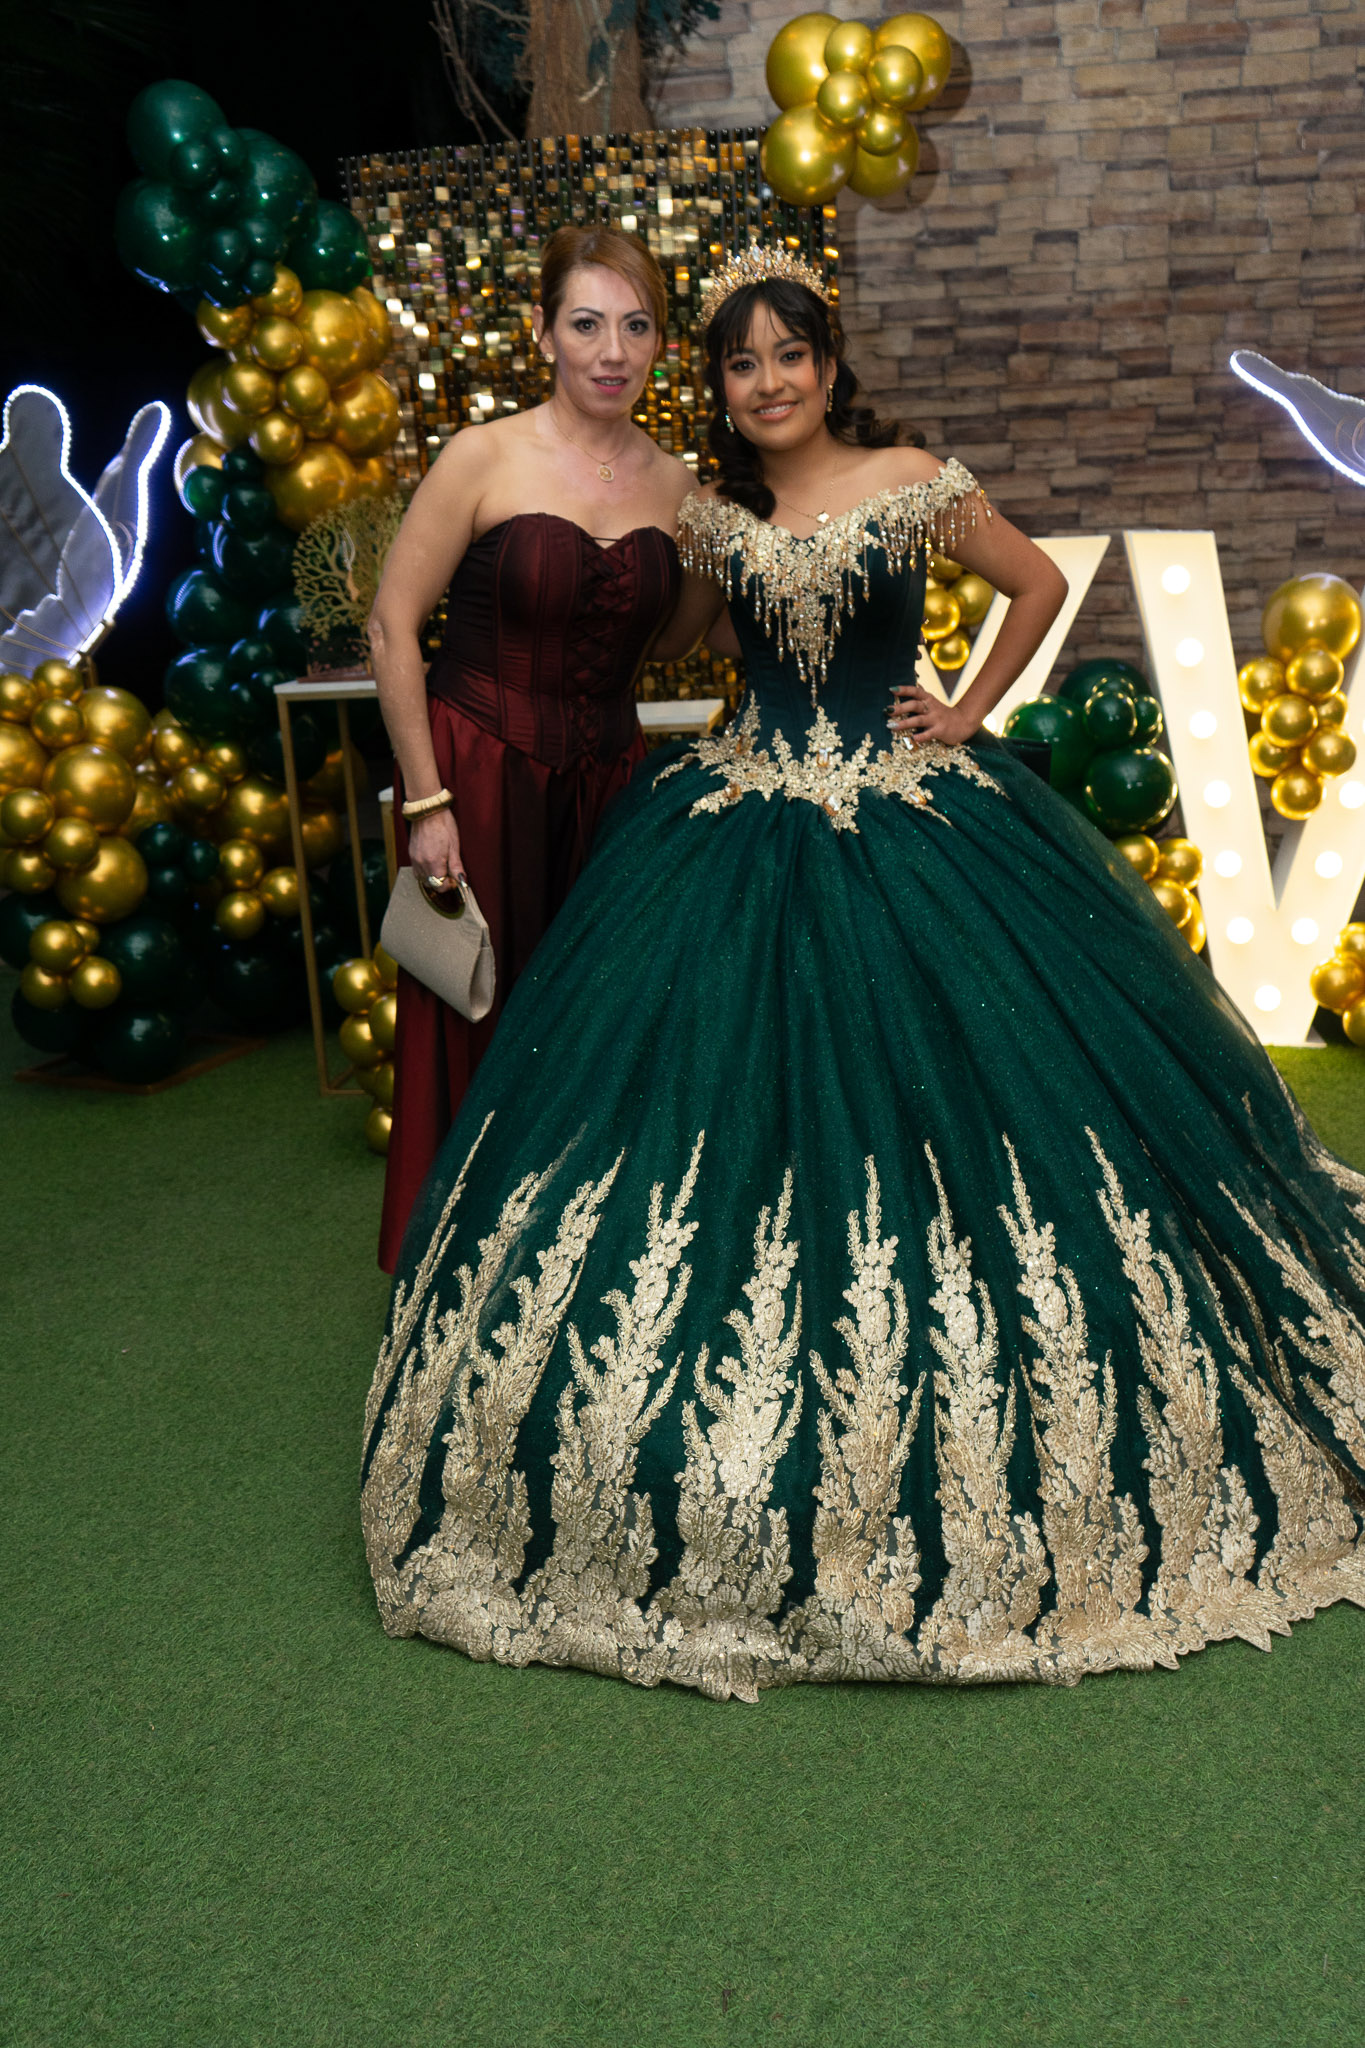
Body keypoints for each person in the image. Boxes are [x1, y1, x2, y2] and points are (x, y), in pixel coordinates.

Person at [361, 246, 1365, 1702]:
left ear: (830, 367)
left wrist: (967, 710)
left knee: (976, 1083)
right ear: (719, 386)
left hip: (909, 817)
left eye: (791, 355)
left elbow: (1033, 582)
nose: (768, 381)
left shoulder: (912, 478)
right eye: (741, 362)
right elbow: (667, 636)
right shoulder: (714, 519)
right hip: (738, 816)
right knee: (716, 1106)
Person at [368, 224, 694, 1271]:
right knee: (478, 1018)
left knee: (603, 1028)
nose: (612, 350)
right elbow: (392, 627)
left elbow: (679, 639)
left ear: (658, 344)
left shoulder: (679, 484)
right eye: (587, 324)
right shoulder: (483, 454)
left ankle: (578, 1268)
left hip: (613, 793)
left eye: (636, 326)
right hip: (476, 776)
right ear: (544, 333)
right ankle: (461, 1271)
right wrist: (427, 803)